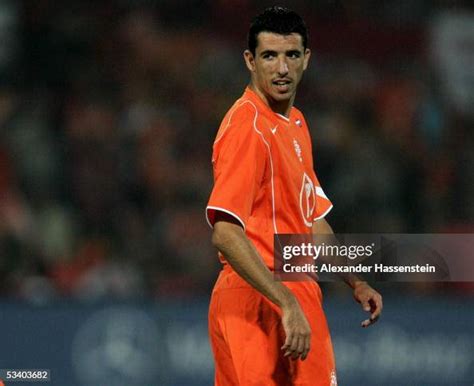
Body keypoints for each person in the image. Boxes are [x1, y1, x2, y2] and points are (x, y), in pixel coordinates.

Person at [206, 6, 382, 386]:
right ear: (250, 61)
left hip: (291, 290)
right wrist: (285, 302)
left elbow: (313, 220)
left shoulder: (296, 123)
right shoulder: (247, 127)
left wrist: (355, 282)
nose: (281, 68)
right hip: (260, 294)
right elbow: (225, 232)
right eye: (269, 56)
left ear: (307, 58)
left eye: (291, 55)